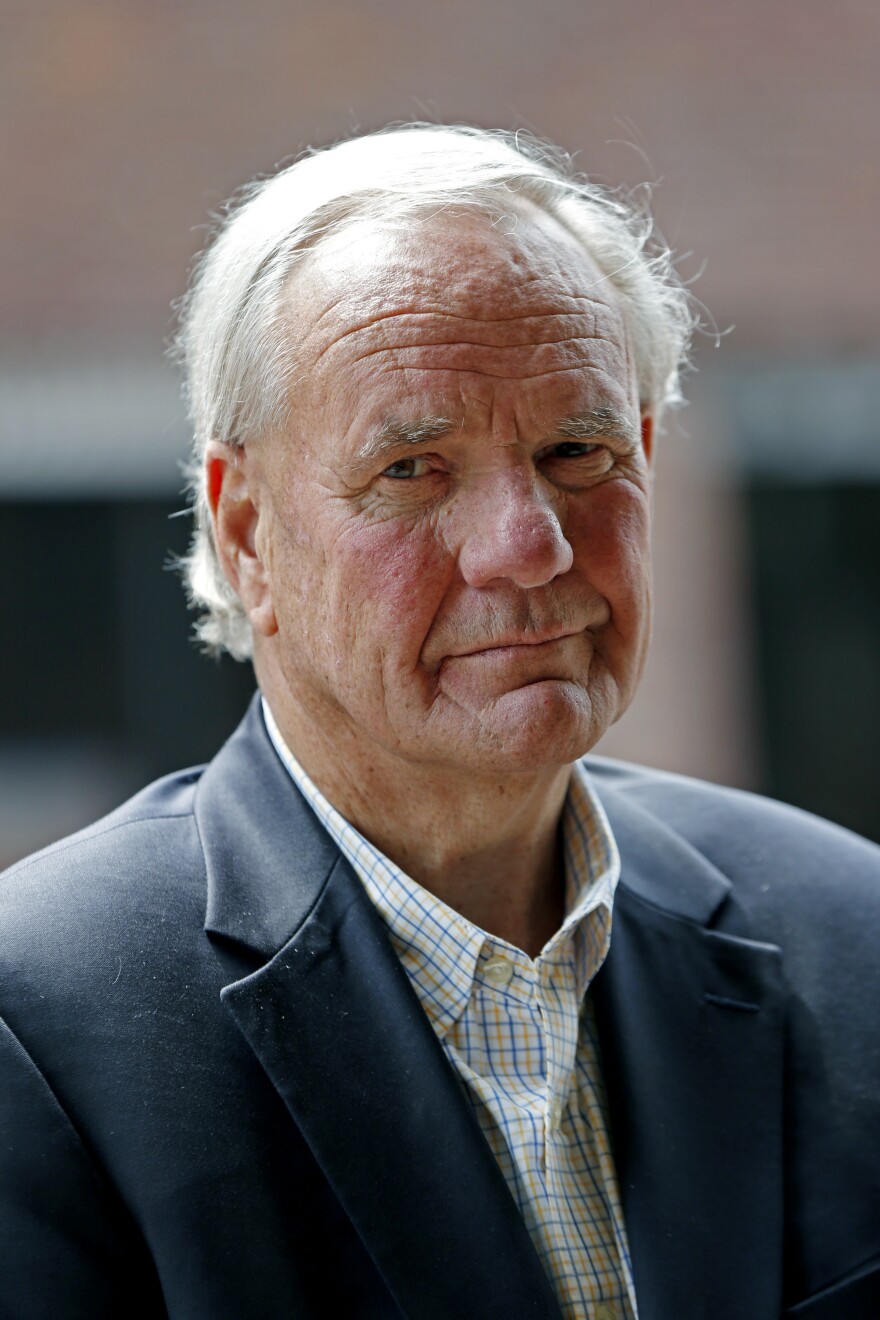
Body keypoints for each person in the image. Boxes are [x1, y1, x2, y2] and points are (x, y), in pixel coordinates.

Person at [1, 125, 877, 1320]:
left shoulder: (852, 934)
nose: (531, 545)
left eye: (578, 450)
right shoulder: (39, 1032)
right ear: (246, 531)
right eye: (412, 468)